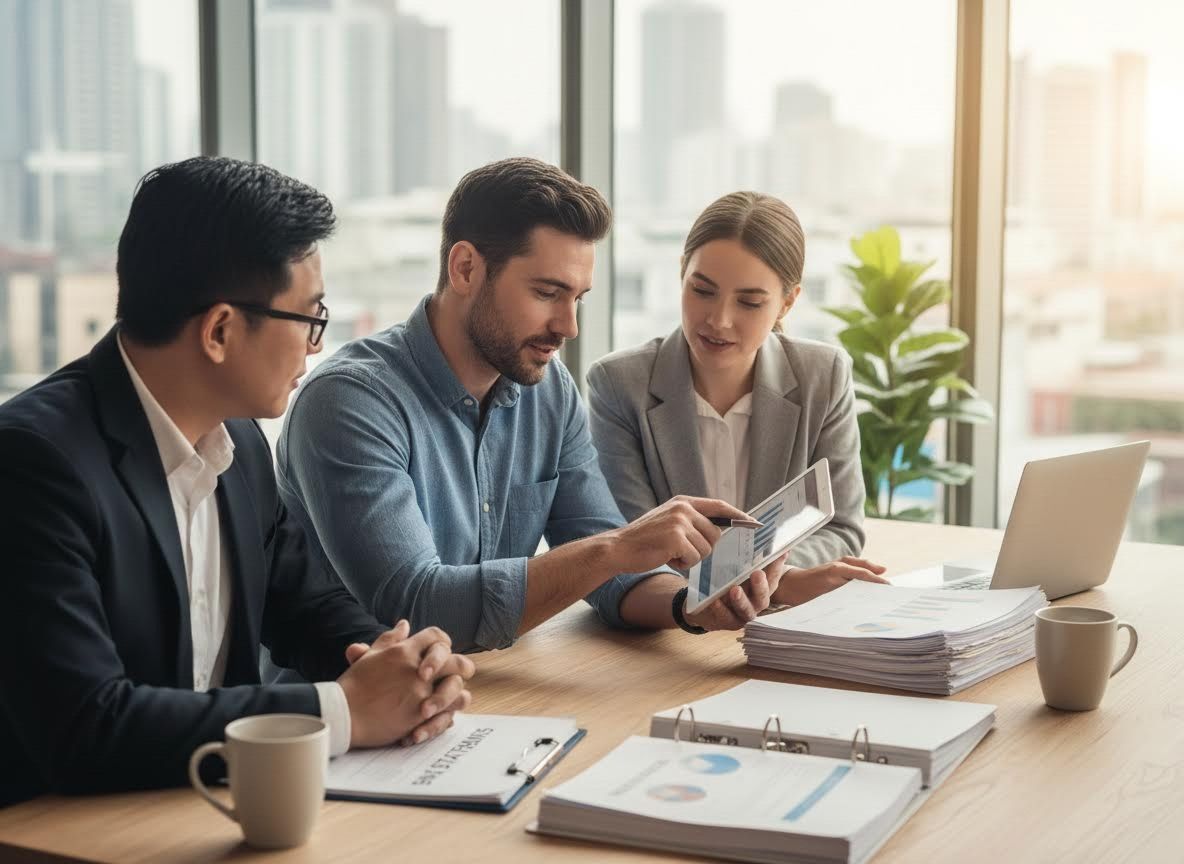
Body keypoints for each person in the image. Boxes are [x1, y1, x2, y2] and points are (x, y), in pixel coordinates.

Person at [0, 157, 474, 808]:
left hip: (207, 807)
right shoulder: (34, 462)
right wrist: (341, 711)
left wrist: (399, 663)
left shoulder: (239, 441)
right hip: (64, 829)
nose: (316, 345)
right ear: (220, 330)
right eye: (310, 317)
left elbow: (304, 605)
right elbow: (87, 725)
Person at [277, 157, 782, 655]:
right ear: (466, 268)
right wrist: (615, 549)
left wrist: (692, 604)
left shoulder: (548, 389)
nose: (569, 326)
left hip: (492, 691)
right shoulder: (349, 402)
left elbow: (611, 570)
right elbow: (417, 606)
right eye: (547, 292)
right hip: (357, 704)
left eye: (578, 299)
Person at [587, 191, 887, 607]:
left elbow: (841, 529)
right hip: (667, 624)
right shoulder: (619, 384)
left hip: (782, 625)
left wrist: (764, 580)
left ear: (787, 302)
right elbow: (631, 545)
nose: (719, 320)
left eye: (749, 302)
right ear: (681, 273)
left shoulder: (823, 376)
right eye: (702, 290)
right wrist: (780, 583)